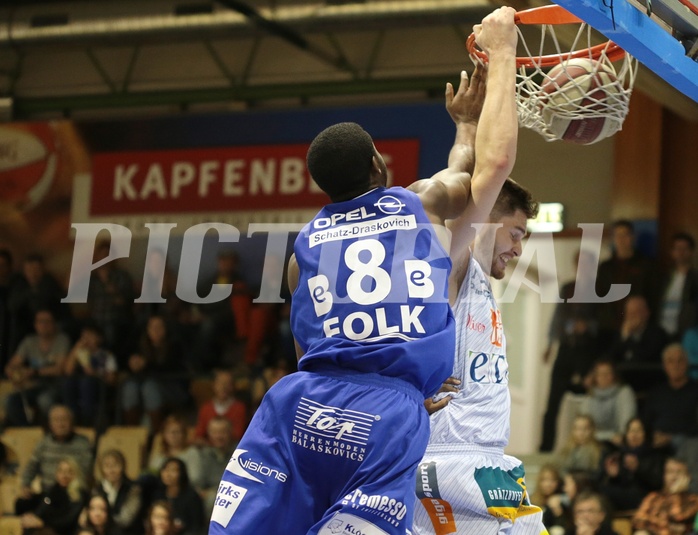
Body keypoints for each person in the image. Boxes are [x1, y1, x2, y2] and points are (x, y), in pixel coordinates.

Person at [209, 7, 519, 534]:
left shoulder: (301, 252)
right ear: (379, 163)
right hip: (385, 415)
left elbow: (311, 350)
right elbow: (486, 170)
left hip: (297, 406)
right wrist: (502, 54)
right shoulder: (415, 203)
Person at [412, 15, 543, 534]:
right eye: (515, 232)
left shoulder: (465, 271)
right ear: (485, 221)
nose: (517, 248)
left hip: (475, 463)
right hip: (456, 464)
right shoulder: (453, 256)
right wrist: (504, 53)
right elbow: (488, 170)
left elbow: (464, 173)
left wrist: (465, 125)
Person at [541, 250, 601, 452]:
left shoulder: (599, 290)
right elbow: (557, 318)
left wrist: (588, 327)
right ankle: (545, 448)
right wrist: (550, 345)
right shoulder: (568, 288)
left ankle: (584, 447)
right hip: (566, 350)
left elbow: (603, 324)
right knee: (552, 404)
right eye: (580, 263)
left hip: (587, 352)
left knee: (587, 401)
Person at [4, 308, 70, 426]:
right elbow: (12, 365)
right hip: (32, 386)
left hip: (55, 385)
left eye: (47, 321)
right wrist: (14, 374)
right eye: (40, 322)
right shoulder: (29, 341)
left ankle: (50, 430)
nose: (43, 325)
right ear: (35, 325)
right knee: (9, 400)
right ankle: (25, 430)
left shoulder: (62, 340)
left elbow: (60, 369)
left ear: (54, 324)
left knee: (44, 401)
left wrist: (34, 372)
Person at [595, 219, 656, 346]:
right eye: (618, 235)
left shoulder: (646, 265)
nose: (621, 240)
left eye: (625, 235)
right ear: (613, 239)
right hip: (609, 327)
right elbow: (599, 295)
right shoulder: (606, 267)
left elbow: (652, 295)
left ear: (632, 237)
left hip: (638, 327)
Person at [19, 404, 93, 497]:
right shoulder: (43, 443)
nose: (60, 424)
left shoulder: (82, 444)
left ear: (72, 422)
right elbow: (31, 467)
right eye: (56, 420)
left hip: (74, 494)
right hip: (47, 494)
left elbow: (86, 472)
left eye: (64, 419)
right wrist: (25, 484)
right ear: (50, 423)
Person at [597, 417, 665, 512]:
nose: (634, 435)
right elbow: (622, 482)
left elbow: (657, 482)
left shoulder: (655, 455)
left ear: (646, 434)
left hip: (645, 497)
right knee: (598, 490)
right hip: (622, 496)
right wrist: (614, 476)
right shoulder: (619, 454)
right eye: (631, 431)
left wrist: (638, 468)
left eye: (638, 431)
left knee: (604, 492)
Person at [642, 343, 698, 453]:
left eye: (680, 361)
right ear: (664, 366)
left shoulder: (696, 390)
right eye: (670, 361)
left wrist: (671, 438)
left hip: (688, 444)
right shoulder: (656, 392)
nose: (676, 365)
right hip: (657, 445)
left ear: (687, 364)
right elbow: (645, 421)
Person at [607, 295, 668, 394]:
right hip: (623, 386)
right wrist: (624, 338)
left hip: (649, 385)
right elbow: (611, 356)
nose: (632, 316)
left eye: (636, 312)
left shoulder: (657, 333)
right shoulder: (622, 334)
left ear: (646, 313)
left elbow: (645, 357)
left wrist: (629, 339)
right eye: (629, 313)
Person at [62, 322, 118, 428]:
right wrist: (75, 350)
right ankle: (71, 419)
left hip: (98, 388)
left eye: (90, 335)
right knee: (68, 383)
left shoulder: (105, 355)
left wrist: (95, 373)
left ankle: (88, 422)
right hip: (77, 388)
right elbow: (67, 371)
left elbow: (112, 379)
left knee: (87, 383)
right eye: (84, 336)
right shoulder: (79, 354)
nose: (86, 339)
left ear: (99, 338)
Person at [15, 457, 89, 535]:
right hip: (47, 528)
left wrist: (42, 523)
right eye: (61, 471)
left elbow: (68, 520)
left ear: (76, 474)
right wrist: (33, 517)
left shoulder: (79, 494)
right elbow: (42, 509)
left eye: (69, 471)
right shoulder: (52, 491)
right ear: (56, 473)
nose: (64, 475)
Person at [632, 457, 698, 535]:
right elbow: (638, 520)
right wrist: (660, 526)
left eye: (679, 472)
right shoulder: (653, 497)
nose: (673, 477)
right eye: (670, 472)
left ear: (687, 477)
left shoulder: (693, 500)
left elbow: (678, 516)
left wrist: (675, 494)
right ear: (664, 475)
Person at [579, 359, 637, 445]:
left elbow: (626, 428)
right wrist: (608, 436)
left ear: (614, 375)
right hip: (592, 443)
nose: (604, 377)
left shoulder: (624, 393)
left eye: (608, 373)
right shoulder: (589, 395)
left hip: (618, 444)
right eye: (600, 374)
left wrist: (611, 437)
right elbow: (584, 428)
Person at [142, 457, 205, 535]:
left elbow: (197, 527)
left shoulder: (192, 497)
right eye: (165, 469)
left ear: (182, 473)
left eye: (173, 470)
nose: (168, 474)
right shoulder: (157, 494)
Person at [657, 232, 698, 342]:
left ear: (691, 252)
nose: (681, 252)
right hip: (661, 332)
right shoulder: (663, 278)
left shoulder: (694, 279)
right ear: (672, 252)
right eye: (677, 248)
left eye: (685, 249)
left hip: (686, 333)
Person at [192, 368, 247, 446]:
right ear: (214, 385)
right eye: (220, 383)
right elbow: (199, 435)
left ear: (232, 386)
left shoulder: (240, 408)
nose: (223, 387)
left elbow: (238, 435)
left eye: (227, 384)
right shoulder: (205, 408)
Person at [94, 449, 143, 535]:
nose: (111, 470)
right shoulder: (97, 489)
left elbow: (125, 520)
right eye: (107, 466)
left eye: (115, 465)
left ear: (123, 466)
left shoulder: (133, 489)